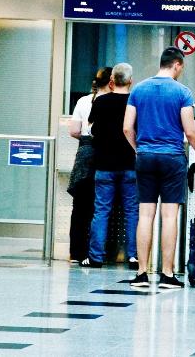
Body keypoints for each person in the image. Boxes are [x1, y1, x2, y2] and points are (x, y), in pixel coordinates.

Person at [123, 47, 195, 289]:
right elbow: (190, 131)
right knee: (169, 216)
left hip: (145, 156)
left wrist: (138, 149)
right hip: (172, 158)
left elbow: (127, 127)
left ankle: (141, 273)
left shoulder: (138, 89)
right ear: (177, 65)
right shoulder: (182, 92)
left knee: (145, 215)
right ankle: (168, 274)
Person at [81, 63, 139, 269]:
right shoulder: (135, 102)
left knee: (101, 211)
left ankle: (96, 257)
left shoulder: (101, 101)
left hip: (104, 164)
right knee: (132, 211)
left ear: (112, 81)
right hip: (130, 164)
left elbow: (91, 130)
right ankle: (134, 256)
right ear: (131, 81)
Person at [67, 67, 111, 263]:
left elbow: (74, 130)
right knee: (100, 206)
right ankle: (97, 252)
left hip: (84, 154)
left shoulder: (83, 101)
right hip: (104, 154)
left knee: (79, 208)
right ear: (111, 82)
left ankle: (76, 252)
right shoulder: (111, 102)